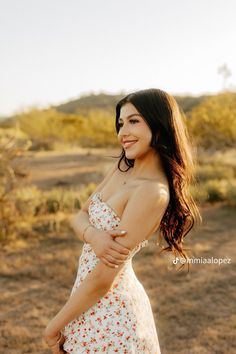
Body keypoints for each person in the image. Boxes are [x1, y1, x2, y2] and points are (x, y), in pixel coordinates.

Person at [43, 88, 201, 353]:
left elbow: (104, 277)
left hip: (112, 318)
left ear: (159, 124)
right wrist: (95, 236)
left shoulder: (152, 192)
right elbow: (79, 215)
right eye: (120, 123)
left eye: (134, 121)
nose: (122, 133)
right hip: (84, 302)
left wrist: (53, 327)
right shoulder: (122, 168)